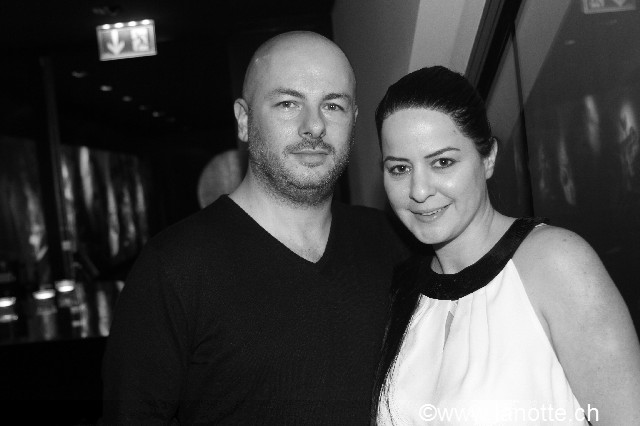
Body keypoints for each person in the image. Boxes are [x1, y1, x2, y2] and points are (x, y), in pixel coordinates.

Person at [100, 31, 408, 425]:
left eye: (333, 105)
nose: (314, 125)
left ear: (354, 121)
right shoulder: (174, 268)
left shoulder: (394, 244)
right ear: (244, 121)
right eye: (288, 103)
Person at [372, 66, 640, 425]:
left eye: (443, 162)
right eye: (399, 169)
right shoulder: (400, 288)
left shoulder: (555, 263)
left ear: (488, 158)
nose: (419, 191)